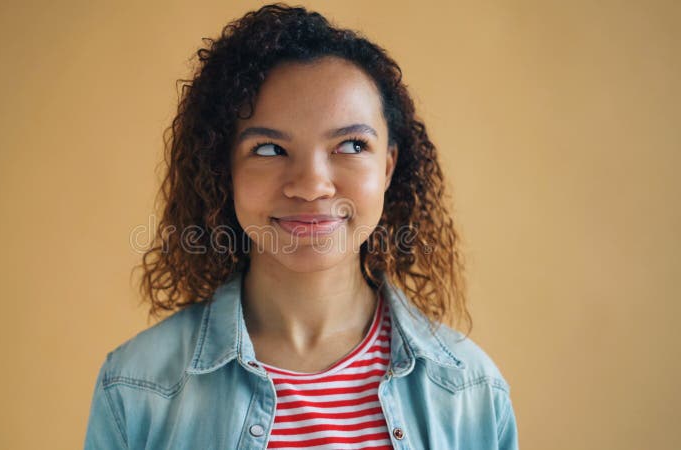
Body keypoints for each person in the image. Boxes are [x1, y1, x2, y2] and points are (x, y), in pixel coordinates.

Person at [83, 3, 518, 449]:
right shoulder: (136, 389)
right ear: (224, 169)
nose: (311, 186)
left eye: (351, 144)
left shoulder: (472, 393)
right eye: (269, 149)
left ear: (388, 167)